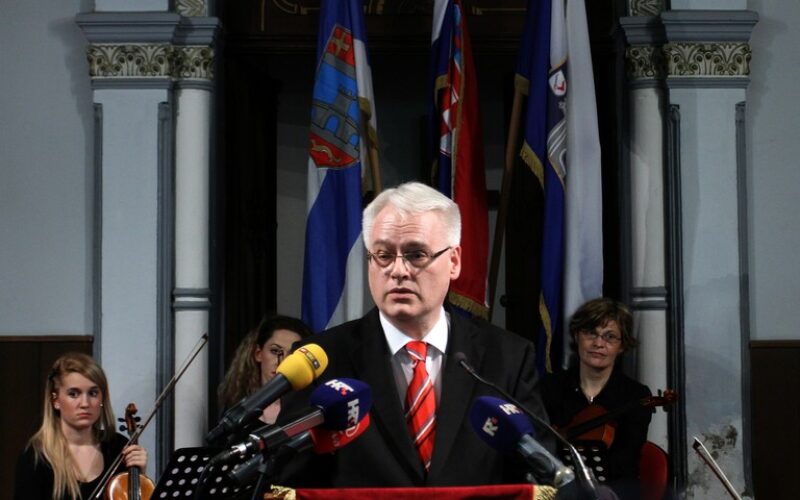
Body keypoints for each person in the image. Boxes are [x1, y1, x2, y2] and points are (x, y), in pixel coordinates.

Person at [279, 181, 550, 487]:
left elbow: (538, 474)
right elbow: (290, 479)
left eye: (416, 255)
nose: (398, 271)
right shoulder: (320, 360)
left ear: (454, 262)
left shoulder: (508, 358)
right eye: (383, 255)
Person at [538, 297, 653, 499]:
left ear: (622, 346)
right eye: (591, 333)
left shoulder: (635, 395)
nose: (598, 343)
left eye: (610, 337)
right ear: (577, 336)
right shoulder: (549, 387)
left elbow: (626, 462)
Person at [13, 352, 148, 500]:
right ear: (56, 400)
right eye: (73, 394)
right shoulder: (35, 457)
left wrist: (139, 476)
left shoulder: (119, 448)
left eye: (93, 393)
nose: (85, 403)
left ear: (102, 399)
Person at [218, 315, 312, 425]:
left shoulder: (310, 410)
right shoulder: (236, 412)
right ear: (258, 354)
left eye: (292, 354)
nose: (282, 362)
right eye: (275, 351)